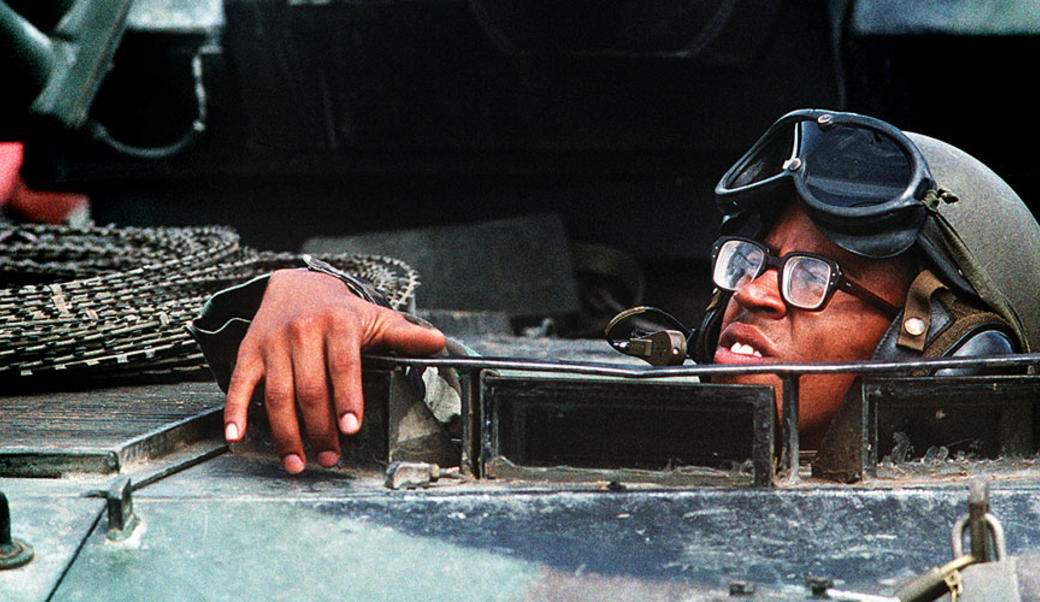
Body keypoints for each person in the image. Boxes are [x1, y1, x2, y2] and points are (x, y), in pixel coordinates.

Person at [191, 109, 1040, 475]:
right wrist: (310, 291)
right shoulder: (607, 433)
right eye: (753, 260)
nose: (756, 296)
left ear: (953, 361)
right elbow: (453, 366)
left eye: (818, 278)